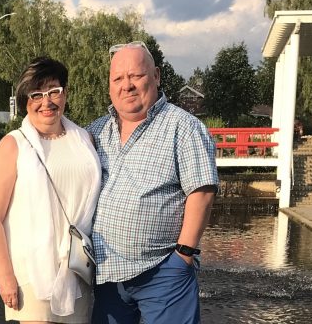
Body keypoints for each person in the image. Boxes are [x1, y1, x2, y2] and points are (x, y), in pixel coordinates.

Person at [87, 41, 219, 324]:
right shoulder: (97, 131)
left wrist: (183, 255)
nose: (127, 85)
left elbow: (203, 192)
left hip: (162, 271)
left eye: (136, 76)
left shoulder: (183, 126)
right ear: (110, 85)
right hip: (108, 274)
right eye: (118, 78)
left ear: (156, 76)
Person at [0, 56, 101, 323]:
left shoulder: (84, 140)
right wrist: (5, 275)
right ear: (26, 101)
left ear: (65, 93)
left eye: (53, 92)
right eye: (36, 94)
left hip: (76, 271)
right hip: (31, 275)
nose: (46, 102)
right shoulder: (14, 145)